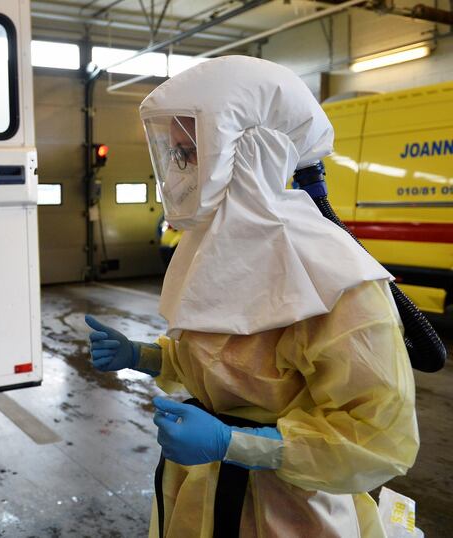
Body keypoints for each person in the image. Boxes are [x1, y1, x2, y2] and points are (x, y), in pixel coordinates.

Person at [85, 56, 419, 537]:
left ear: (246, 151)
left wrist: (237, 443)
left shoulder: (334, 278)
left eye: (190, 152)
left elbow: (375, 436)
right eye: (177, 154)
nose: (182, 171)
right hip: (202, 494)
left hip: (294, 510)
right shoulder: (209, 252)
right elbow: (226, 365)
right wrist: (146, 357)